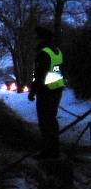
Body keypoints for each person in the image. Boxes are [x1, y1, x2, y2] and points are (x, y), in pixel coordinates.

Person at [28, 26, 65, 159]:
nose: (34, 40)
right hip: (57, 89)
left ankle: (48, 151)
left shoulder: (43, 53)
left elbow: (39, 75)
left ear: (41, 39)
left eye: (36, 37)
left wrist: (32, 92)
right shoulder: (57, 51)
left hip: (46, 91)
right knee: (52, 120)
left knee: (44, 122)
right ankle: (54, 149)